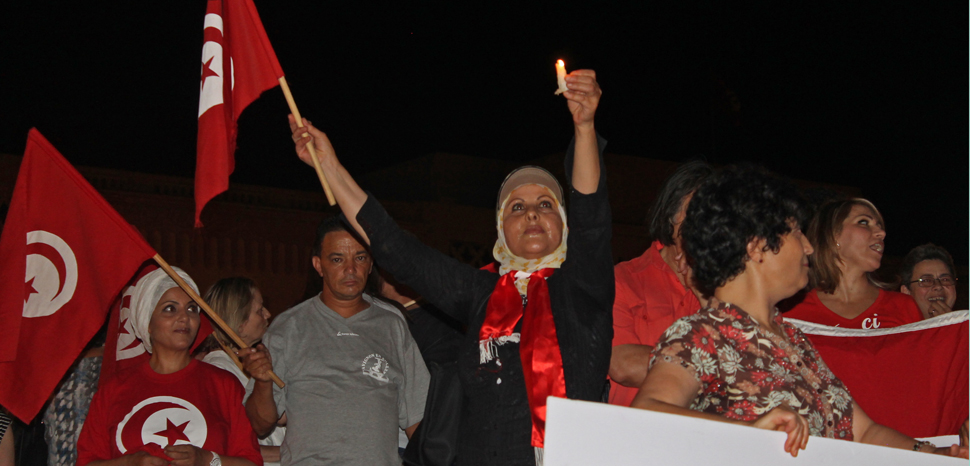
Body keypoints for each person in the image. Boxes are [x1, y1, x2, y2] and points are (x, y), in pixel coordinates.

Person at [284, 69, 611, 465]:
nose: (531, 215)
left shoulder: (584, 286)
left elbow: (591, 212)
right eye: (516, 207)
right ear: (500, 228)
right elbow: (396, 247)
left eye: (545, 205)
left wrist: (585, 126)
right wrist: (330, 165)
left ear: (563, 220)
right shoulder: (479, 294)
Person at [631, 166, 966, 458]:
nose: (808, 246)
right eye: (795, 232)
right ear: (757, 245)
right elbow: (647, 413)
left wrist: (940, 454)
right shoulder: (703, 333)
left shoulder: (793, 340)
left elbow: (863, 432)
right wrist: (747, 433)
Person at [240, 218, 430, 466]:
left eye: (360, 258)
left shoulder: (392, 325)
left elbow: (418, 419)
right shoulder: (288, 327)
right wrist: (264, 383)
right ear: (318, 265)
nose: (351, 269)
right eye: (337, 259)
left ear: (371, 263)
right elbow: (260, 425)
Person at [76, 268, 261, 466]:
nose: (184, 318)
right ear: (147, 321)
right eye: (170, 309)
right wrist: (129, 462)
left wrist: (207, 460)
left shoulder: (224, 384)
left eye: (191, 309)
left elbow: (251, 462)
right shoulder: (114, 389)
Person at [609, 160, 711, 407]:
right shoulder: (624, 278)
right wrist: (715, 367)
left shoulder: (728, 287)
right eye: (696, 210)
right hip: (632, 435)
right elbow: (623, 365)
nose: (708, 223)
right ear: (670, 215)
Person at [784, 198, 922, 329]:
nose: (881, 233)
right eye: (863, 222)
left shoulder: (903, 307)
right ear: (833, 235)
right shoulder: (791, 311)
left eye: (879, 226)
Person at [200, 278, 284, 466]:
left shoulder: (254, 361)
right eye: (259, 310)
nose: (268, 314)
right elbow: (228, 447)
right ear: (238, 322)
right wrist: (294, 450)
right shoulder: (217, 371)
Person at [898, 243, 959, 319]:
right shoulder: (894, 329)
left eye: (945, 279)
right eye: (927, 280)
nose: (938, 286)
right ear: (906, 291)